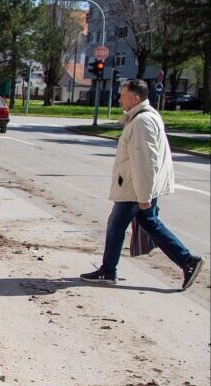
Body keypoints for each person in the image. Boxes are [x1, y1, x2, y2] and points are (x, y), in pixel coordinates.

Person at [80, 79, 204, 290]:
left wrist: (144, 196)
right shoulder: (142, 117)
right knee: (150, 224)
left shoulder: (141, 122)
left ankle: (108, 271)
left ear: (136, 98)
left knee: (115, 226)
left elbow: (143, 162)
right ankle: (187, 261)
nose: (119, 98)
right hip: (138, 186)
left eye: (123, 95)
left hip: (134, 188)